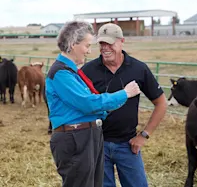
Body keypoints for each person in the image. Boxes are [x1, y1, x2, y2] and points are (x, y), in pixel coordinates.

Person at [45, 21, 141, 187]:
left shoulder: (71, 72)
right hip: (75, 138)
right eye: (87, 45)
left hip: (86, 137)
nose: (89, 51)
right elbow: (88, 103)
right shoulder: (61, 73)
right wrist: (124, 94)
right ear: (73, 43)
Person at [81, 23, 168, 187]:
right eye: (102, 44)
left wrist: (144, 135)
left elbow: (161, 103)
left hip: (128, 145)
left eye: (110, 43)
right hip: (97, 144)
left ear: (122, 41)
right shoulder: (88, 71)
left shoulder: (138, 69)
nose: (105, 48)